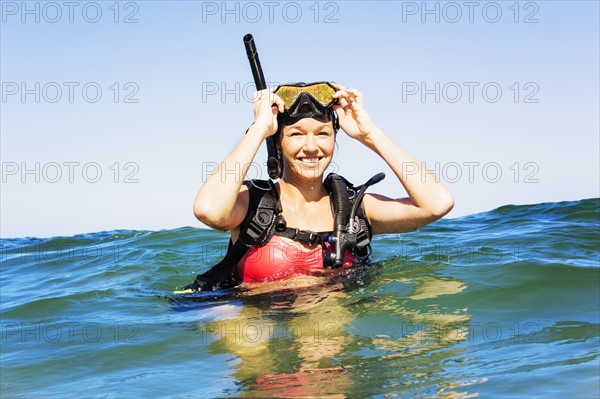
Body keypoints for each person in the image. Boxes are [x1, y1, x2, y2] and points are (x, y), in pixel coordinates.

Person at [190, 82, 453, 290]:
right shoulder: (255, 204)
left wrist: (370, 134)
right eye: (296, 134)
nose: (312, 147)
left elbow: (436, 203)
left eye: (323, 134)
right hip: (255, 318)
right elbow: (209, 210)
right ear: (278, 143)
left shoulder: (353, 209)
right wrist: (258, 130)